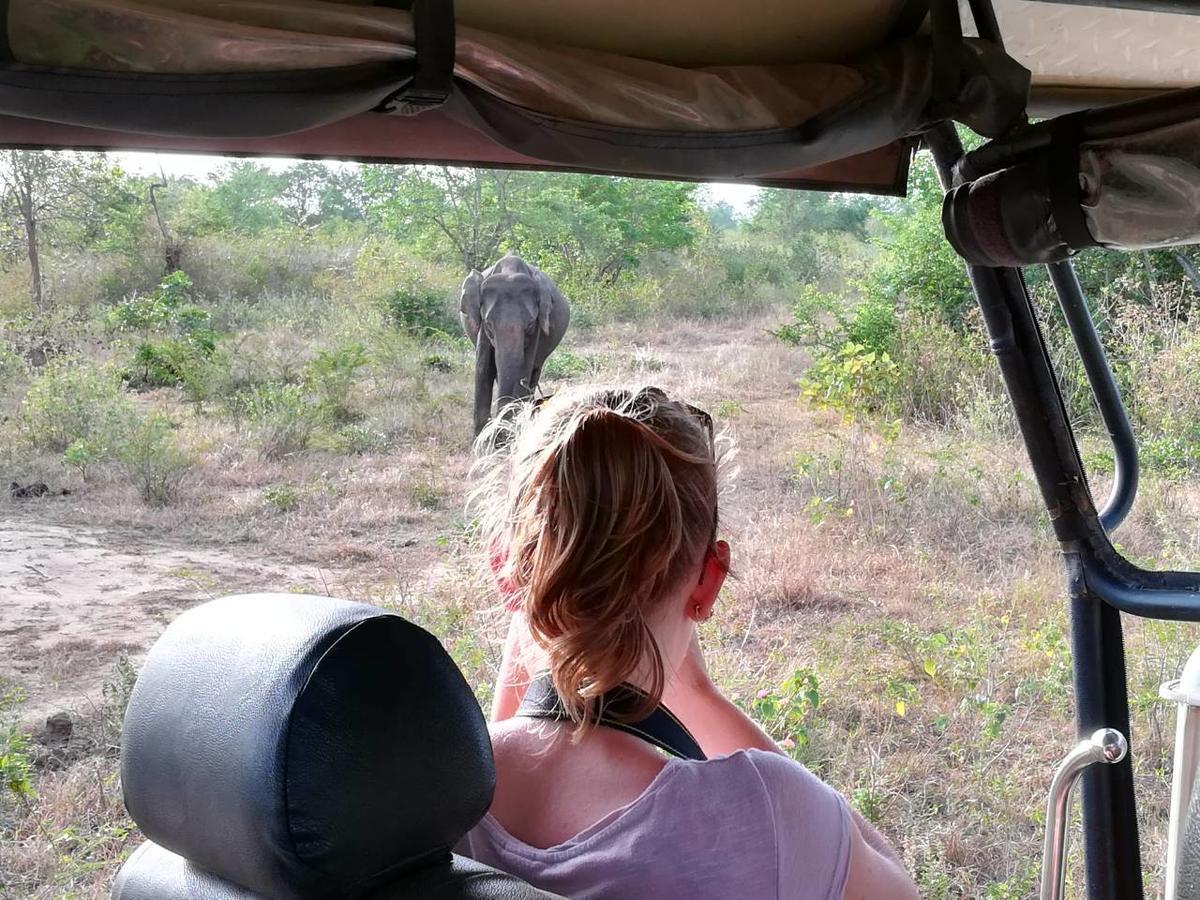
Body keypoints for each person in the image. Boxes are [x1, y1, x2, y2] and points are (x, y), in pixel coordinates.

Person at [461, 385, 919, 900]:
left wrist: (534, 605)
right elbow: (896, 887)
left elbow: (506, 753)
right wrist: (700, 694)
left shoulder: (427, 792)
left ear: (505, 571)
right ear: (708, 581)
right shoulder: (767, 814)